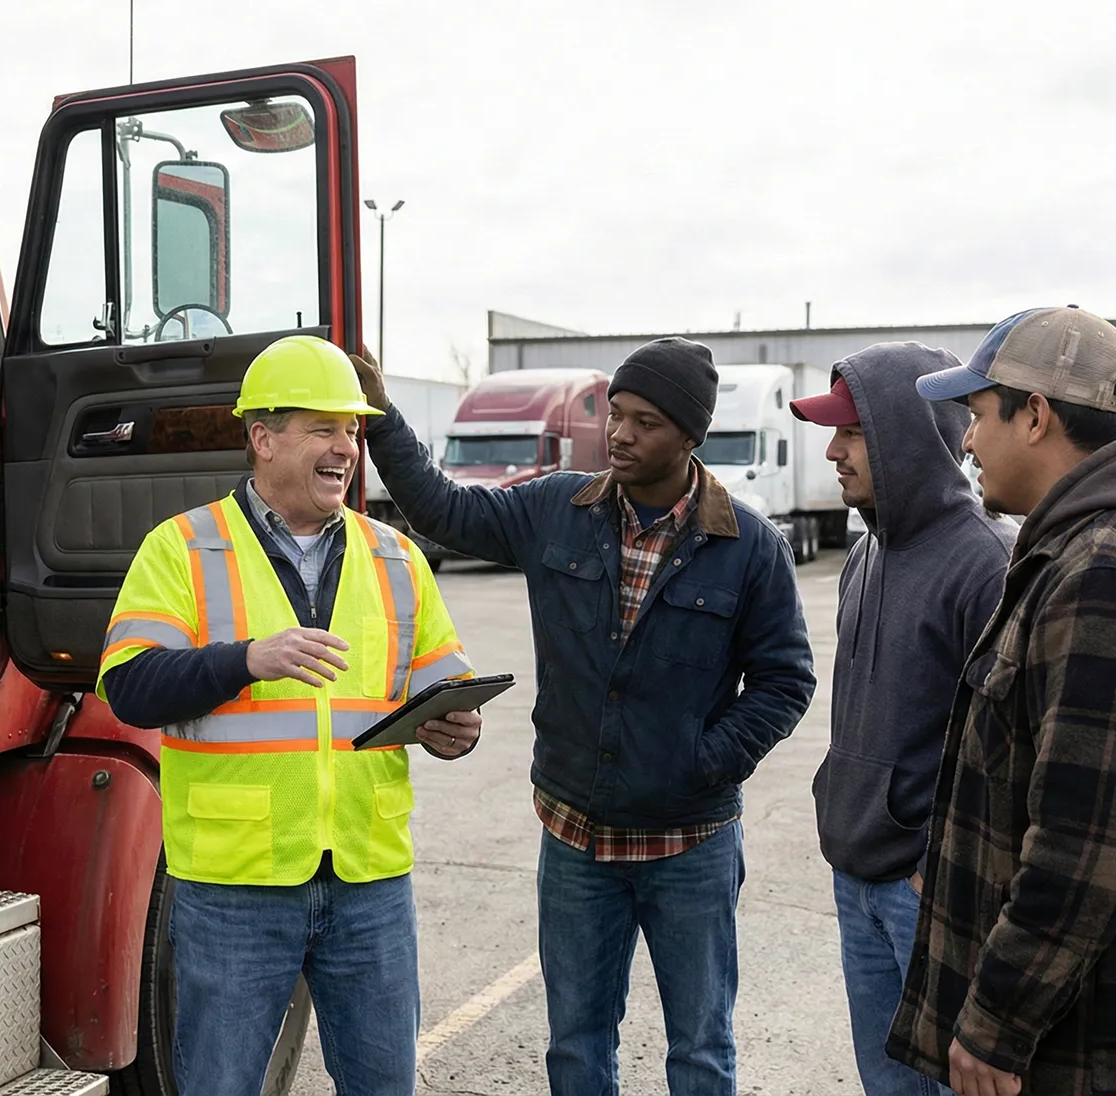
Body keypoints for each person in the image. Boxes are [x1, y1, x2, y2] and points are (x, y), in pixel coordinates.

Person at [354, 339, 815, 1096]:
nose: (621, 434)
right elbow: (442, 509)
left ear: (691, 438)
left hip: (688, 845)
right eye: (616, 413)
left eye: (646, 423)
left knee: (701, 1050)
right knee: (575, 1047)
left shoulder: (750, 548)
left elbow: (785, 680)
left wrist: (701, 764)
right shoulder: (555, 510)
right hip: (576, 839)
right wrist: (382, 420)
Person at [97, 335, 482, 1096]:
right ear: (263, 439)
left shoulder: (398, 558)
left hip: (368, 879)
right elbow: (130, 686)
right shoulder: (181, 549)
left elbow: (445, 681)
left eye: (352, 429)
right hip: (236, 885)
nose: (345, 447)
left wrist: (456, 728)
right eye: (323, 428)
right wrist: (245, 659)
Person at [889, 305, 1116, 1096]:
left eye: (980, 414)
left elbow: (1083, 845)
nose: (967, 440)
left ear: (1037, 416)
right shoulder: (1065, 550)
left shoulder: (1097, 573)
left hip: (1063, 1044)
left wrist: (997, 1024)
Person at [790, 345, 1015, 1096]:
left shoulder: (986, 565)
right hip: (855, 876)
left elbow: (1011, 756)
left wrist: (935, 873)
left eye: (850, 433)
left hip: (927, 895)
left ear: (904, 436)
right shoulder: (863, 555)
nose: (832, 451)